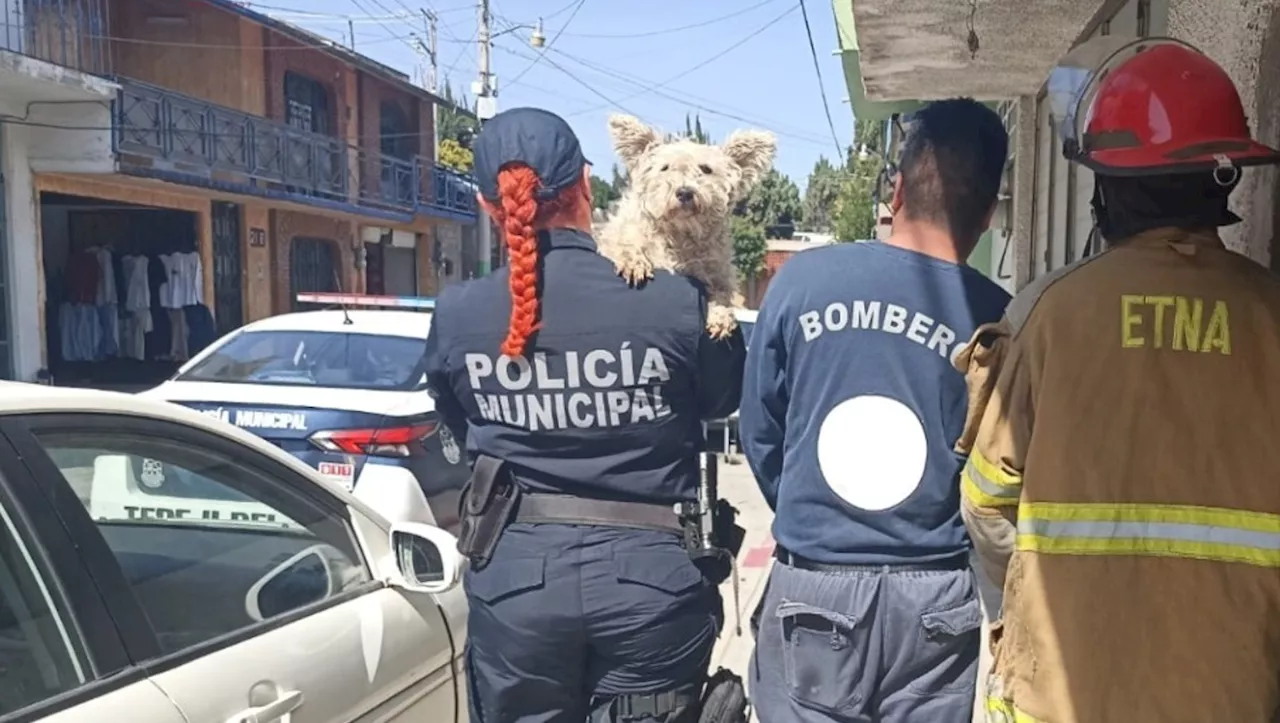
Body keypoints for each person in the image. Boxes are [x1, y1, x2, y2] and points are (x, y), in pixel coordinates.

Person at [957, 37, 1280, 723]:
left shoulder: (1048, 313)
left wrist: (1042, 594)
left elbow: (986, 505)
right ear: (1223, 178)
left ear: (1106, 183)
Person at [421, 107, 747, 723]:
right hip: (650, 585)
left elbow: (459, 425)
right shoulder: (675, 301)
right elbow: (719, 404)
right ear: (587, 188)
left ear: (491, 208)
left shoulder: (459, 312)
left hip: (517, 582)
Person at [739, 97, 1012, 723]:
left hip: (817, 581)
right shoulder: (1000, 318)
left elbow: (761, 432)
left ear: (896, 189)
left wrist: (814, 513)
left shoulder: (803, 282)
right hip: (935, 597)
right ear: (991, 212)